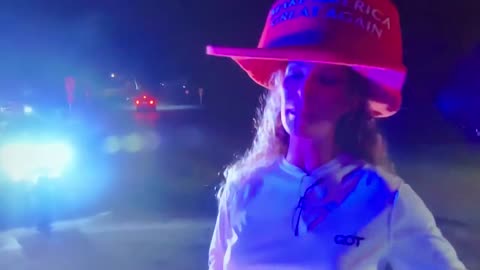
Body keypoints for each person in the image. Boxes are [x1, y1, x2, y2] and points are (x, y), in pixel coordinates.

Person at [206, 0, 466, 269]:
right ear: (279, 85)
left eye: (326, 80)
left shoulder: (385, 200)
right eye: (296, 75)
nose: (304, 93)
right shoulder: (243, 188)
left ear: (352, 99)